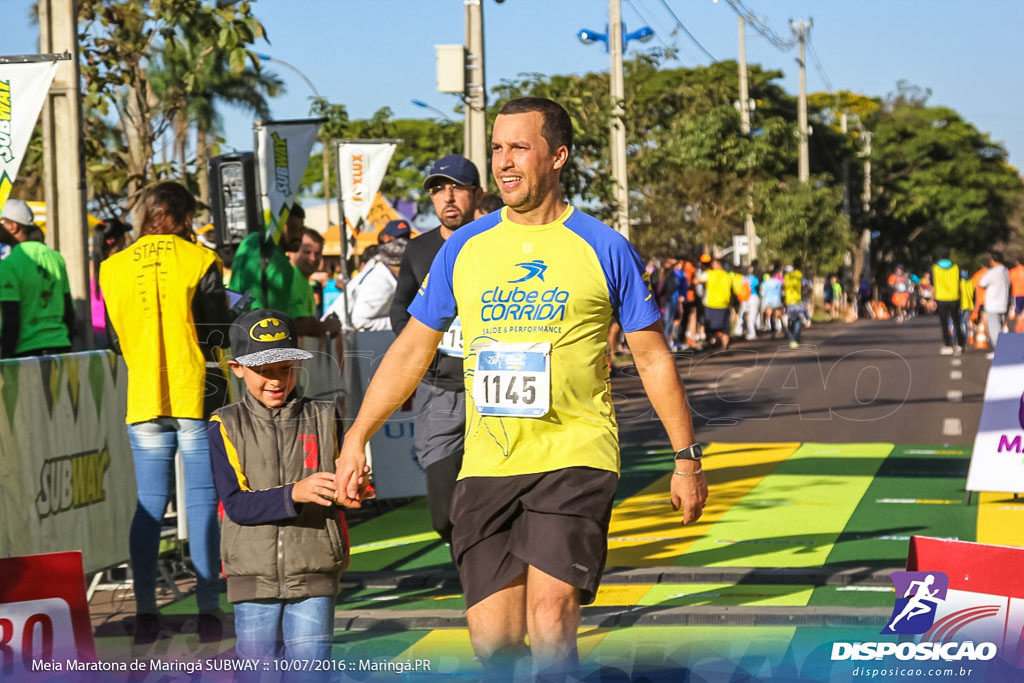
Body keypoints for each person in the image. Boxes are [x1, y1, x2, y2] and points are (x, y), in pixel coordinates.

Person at [334, 97, 707, 679]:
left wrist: (685, 459)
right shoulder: (464, 247)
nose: (504, 162)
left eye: (519, 148)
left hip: (575, 454)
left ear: (557, 156)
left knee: (551, 620)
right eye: (498, 149)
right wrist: (358, 435)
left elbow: (653, 355)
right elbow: (412, 346)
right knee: (494, 643)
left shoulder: (604, 246)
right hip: (488, 461)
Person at [99, 182, 232, 645]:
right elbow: (217, 332)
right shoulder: (200, 261)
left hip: (144, 398)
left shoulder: (111, 268)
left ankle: (146, 611)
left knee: (149, 503)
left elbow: (114, 340)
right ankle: (210, 610)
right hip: (195, 391)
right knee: (200, 500)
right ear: (185, 215)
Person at [209, 309, 348, 665]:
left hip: (315, 570)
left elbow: (344, 492)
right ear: (236, 367)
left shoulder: (324, 414)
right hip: (251, 576)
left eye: (284, 368)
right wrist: (294, 494)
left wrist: (353, 489)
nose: (275, 380)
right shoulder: (223, 424)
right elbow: (237, 505)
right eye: (263, 371)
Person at [390, 153, 482, 546]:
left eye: (457, 188)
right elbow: (400, 307)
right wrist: (420, 352)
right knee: (443, 515)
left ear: (476, 194)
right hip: (440, 390)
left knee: (495, 499)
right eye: (438, 189)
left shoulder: (497, 242)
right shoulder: (418, 250)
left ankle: (489, 581)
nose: (447, 197)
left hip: (494, 391)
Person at [0, 199, 75, 357]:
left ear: (13, 227)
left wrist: (5, 359)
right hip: (61, 346)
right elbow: (68, 309)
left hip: (26, 350)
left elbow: (11, 317)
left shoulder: (9, 265)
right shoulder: (56, 257)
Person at [229, 202, 306, 313]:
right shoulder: (280, 263)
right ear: (276, 225)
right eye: (292, 229)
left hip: (238, 323)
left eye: (301, 229)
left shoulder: (250, 241)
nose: (298, 236)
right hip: (260, 326)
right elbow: (276, 319)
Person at [338, 221, 409, 331]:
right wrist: (403, 321)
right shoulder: (380, 284)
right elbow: (359, 322)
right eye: (398, 240)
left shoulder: (378, 265)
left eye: (407, 238)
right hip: (340, 339)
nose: (404, 243)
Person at [90, 218, 130, 349]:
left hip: (94, 331)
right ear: (117, 240)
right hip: (117, 331)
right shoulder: (120, 264)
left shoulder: (91, 265)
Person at [979, 251, 1011, 360]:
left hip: (993, 304)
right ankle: (1002, 350)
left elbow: (982, 283)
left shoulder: (993, 272)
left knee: (994, 330)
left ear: (992, 260)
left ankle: (999, 352)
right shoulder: (1006, 271)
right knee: (1001, 328)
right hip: (1004, 303)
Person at [932, 256, 964, 355]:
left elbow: (933, 284)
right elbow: (960, 281)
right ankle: (960, 344)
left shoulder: (935, 268)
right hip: (954, 297)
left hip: (941, 298)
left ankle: (948, 344)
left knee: (944, 323)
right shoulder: (955, 267)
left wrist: (932, 299)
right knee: (957, 322)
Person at [784, 260, 808, 348]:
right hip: (797, 300)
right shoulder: (799, 275)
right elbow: (805, 285)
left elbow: (783, 286)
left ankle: (796, 338)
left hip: (788, 301)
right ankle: (794, 339)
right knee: (798, 320)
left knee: (792, 320)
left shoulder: (787, 276)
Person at [760, 263, 784, 339]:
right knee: (779, 316)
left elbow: (762, 293)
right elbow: (782, 291)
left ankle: (773, 333)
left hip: (768, 301)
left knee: (770, 317)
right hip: (777, 301)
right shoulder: (778, 282)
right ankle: (784, 331)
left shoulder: (765, 283)